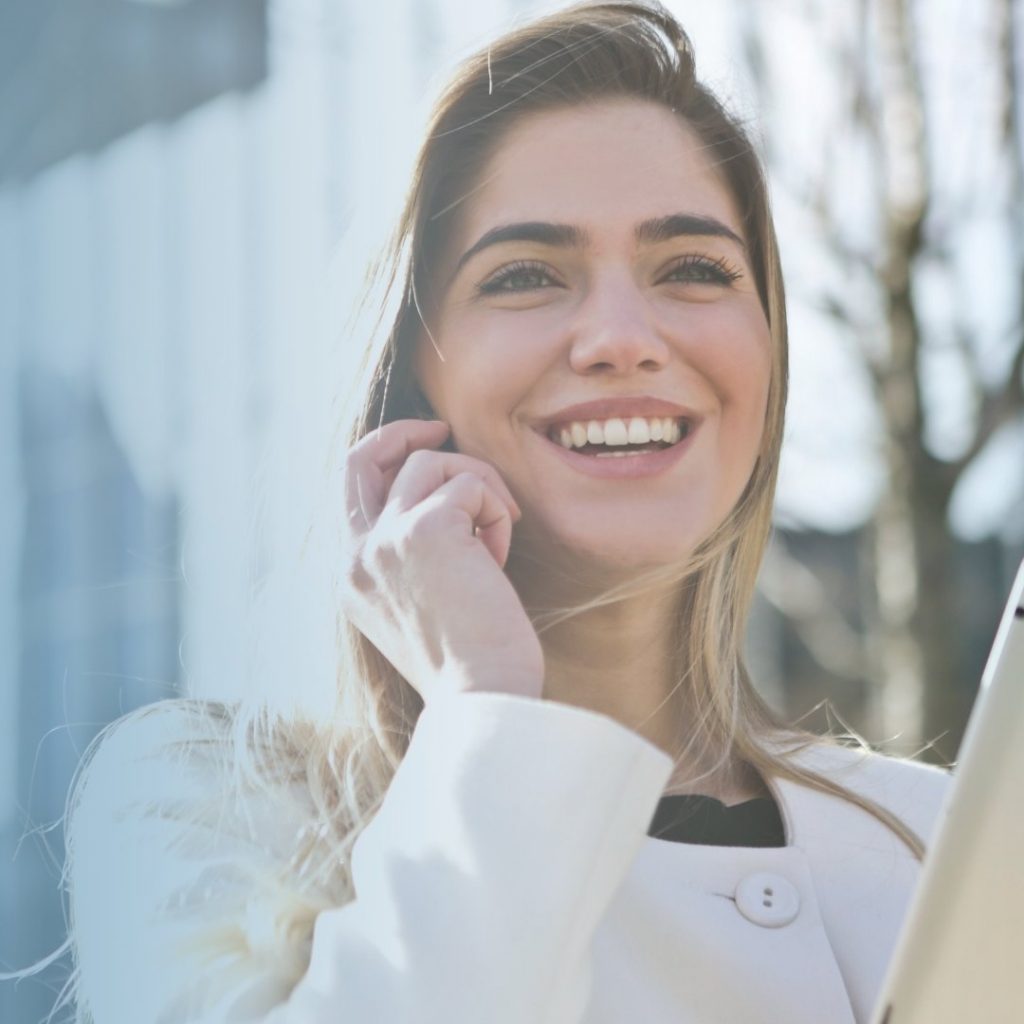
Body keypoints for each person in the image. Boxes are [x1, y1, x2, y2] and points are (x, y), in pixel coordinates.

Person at [63, 3, 950, 1022]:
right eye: (525, 275)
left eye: (693, 268)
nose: (623, 337)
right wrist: (487, 707)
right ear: (409, 370)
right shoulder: (206, 813)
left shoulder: (942, 839)